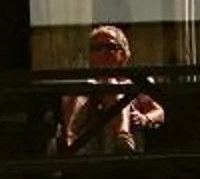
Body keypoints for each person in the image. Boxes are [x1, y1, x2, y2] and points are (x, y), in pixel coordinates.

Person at [57, 24, 165, 153]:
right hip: (86, 146)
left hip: (126, 151)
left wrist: (144, 118)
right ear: (90, 56)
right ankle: (70, 140)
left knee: (112, 85)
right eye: (97, 48)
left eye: (111, 47)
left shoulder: (133, 84)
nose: (104, 52)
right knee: (84, 88)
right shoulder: (84, 85)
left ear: (123, 54)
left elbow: (159, 112)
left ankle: (123, 137)